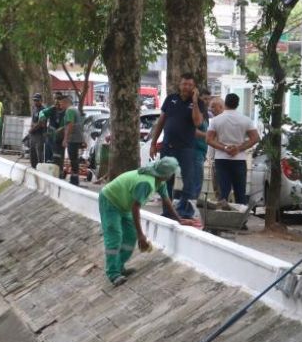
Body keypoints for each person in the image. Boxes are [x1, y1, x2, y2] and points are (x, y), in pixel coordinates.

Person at [98, 157, 182, 285]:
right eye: (172, 173)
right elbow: (135, 208)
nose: (173, 175)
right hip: (110, 201)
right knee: (115, 236)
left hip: (124, 204)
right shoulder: (146, 183)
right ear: (166, 174)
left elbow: (166, 199)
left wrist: (180, 219)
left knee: (130, 236)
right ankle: (113, 273)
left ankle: (119, 266)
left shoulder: (159, 180)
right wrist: (141, 235)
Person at [148, 73, 204, 218]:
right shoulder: (171, 99)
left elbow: (197, 122)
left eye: (190, 85)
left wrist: (195, 101)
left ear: (194, 87)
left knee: (188, 182)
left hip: (186, 148)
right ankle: (168, 211)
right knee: (165, 181)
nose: (186, 87)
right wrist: (153, 143)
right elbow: (161, 121)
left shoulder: (199, 103)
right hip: (168, 146)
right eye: (184, 84)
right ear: (180, 85)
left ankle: (185, 212)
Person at [206, 94, 260, 206]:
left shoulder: (216, 120)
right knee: (240, 193)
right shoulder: (246, 120)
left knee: (223, 193)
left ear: (225, 103)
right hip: (239, 159)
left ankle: (223, 219)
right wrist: (239, 148)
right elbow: (255, 138)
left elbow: (209, 139)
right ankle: (241, 221)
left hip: (221, 159)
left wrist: (224, 148)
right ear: (237, 104)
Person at [59, 95, 86, 185]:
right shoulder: (75, 110)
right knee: (74, 157)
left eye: (61, 103)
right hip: (78, 137)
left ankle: (74, 178)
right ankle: (75, 176)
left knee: (73, 158)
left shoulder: (69, 110)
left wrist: (65, 139)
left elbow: (70, 125)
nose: (60, 106)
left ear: (66, 102)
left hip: (73, 138)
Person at [26, 93, 47, 168]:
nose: (35, 102)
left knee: (39, 152)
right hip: (33, 134)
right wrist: (31, 128)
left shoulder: (43, 110)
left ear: (41, 100)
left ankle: (40, 166)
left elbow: (42, 123)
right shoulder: (34, 108)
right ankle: (33, 166)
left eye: (37, 100)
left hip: (40, 134)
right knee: (32, 151)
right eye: (34, 100)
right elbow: (33, 120)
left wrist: (33, 128)